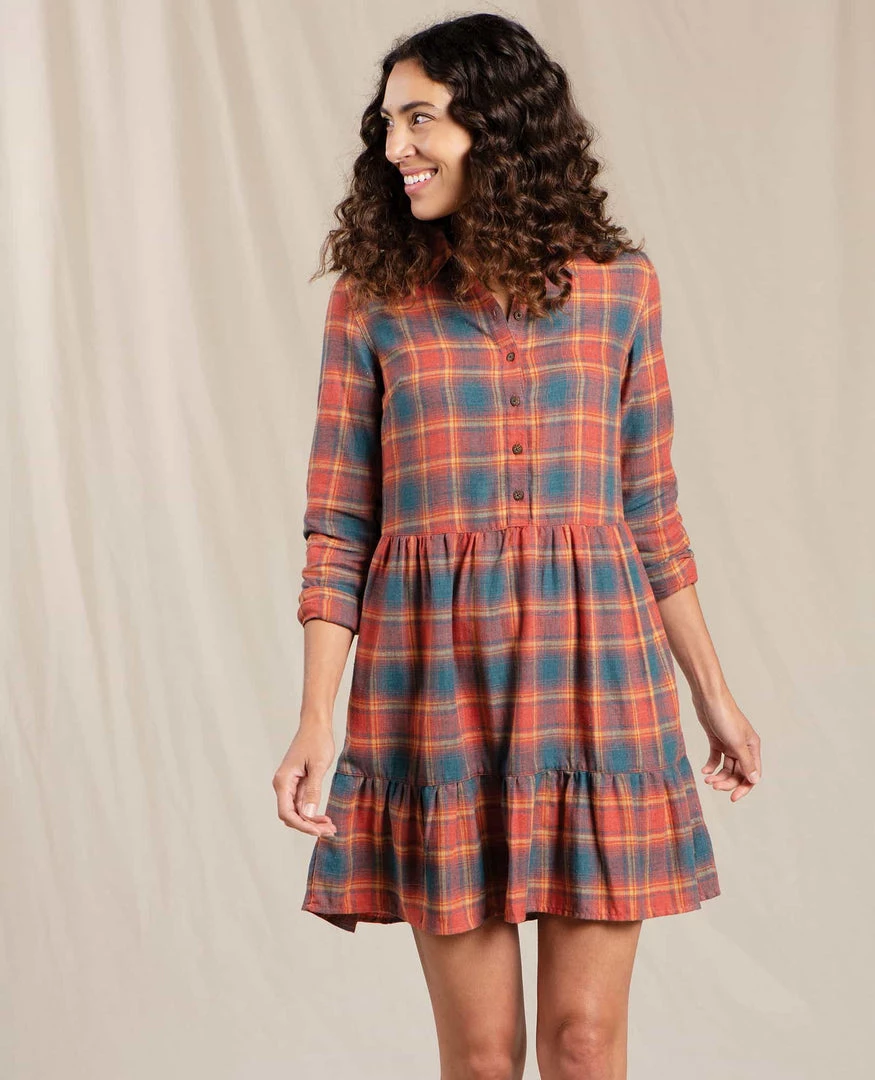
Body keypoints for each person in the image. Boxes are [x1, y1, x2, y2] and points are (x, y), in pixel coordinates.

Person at [273, 12, 762, 1079]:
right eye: (387, 123)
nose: (394, 145)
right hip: (434, 694)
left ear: (495, 125)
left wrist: (713, 697)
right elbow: (339, 520)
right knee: (485, 1057)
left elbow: (649, 510)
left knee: (583, 1046)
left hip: (597, 683)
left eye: (419, 118)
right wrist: (315, 717)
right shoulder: (372, 302)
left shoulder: (621, 287)